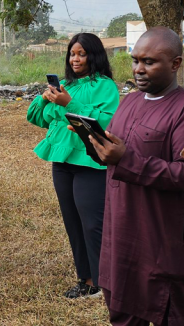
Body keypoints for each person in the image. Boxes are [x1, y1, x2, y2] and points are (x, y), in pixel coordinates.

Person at [88, 27, 184, 326]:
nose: (138, 69)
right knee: (121, 310)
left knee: (163, 310)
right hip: (121, 229)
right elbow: (118, 153)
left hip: (162, 238)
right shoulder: (131, 101)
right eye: (135, 60)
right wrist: (95, 146)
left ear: (175, 63)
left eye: (149, 62)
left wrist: (127, 161)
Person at [26, 33, 119, 299]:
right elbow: (37, 118)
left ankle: (105, 283)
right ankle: (87, 280)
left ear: (94, 56)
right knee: (73, 222)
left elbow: (107, 122)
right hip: (62, 161)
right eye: (72, 53)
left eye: (82, 53)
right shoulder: (65, 85)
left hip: (89, 161)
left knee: (93, 223)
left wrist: (69, 103)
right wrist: (46, 98)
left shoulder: (105, 86)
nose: (75, 59)